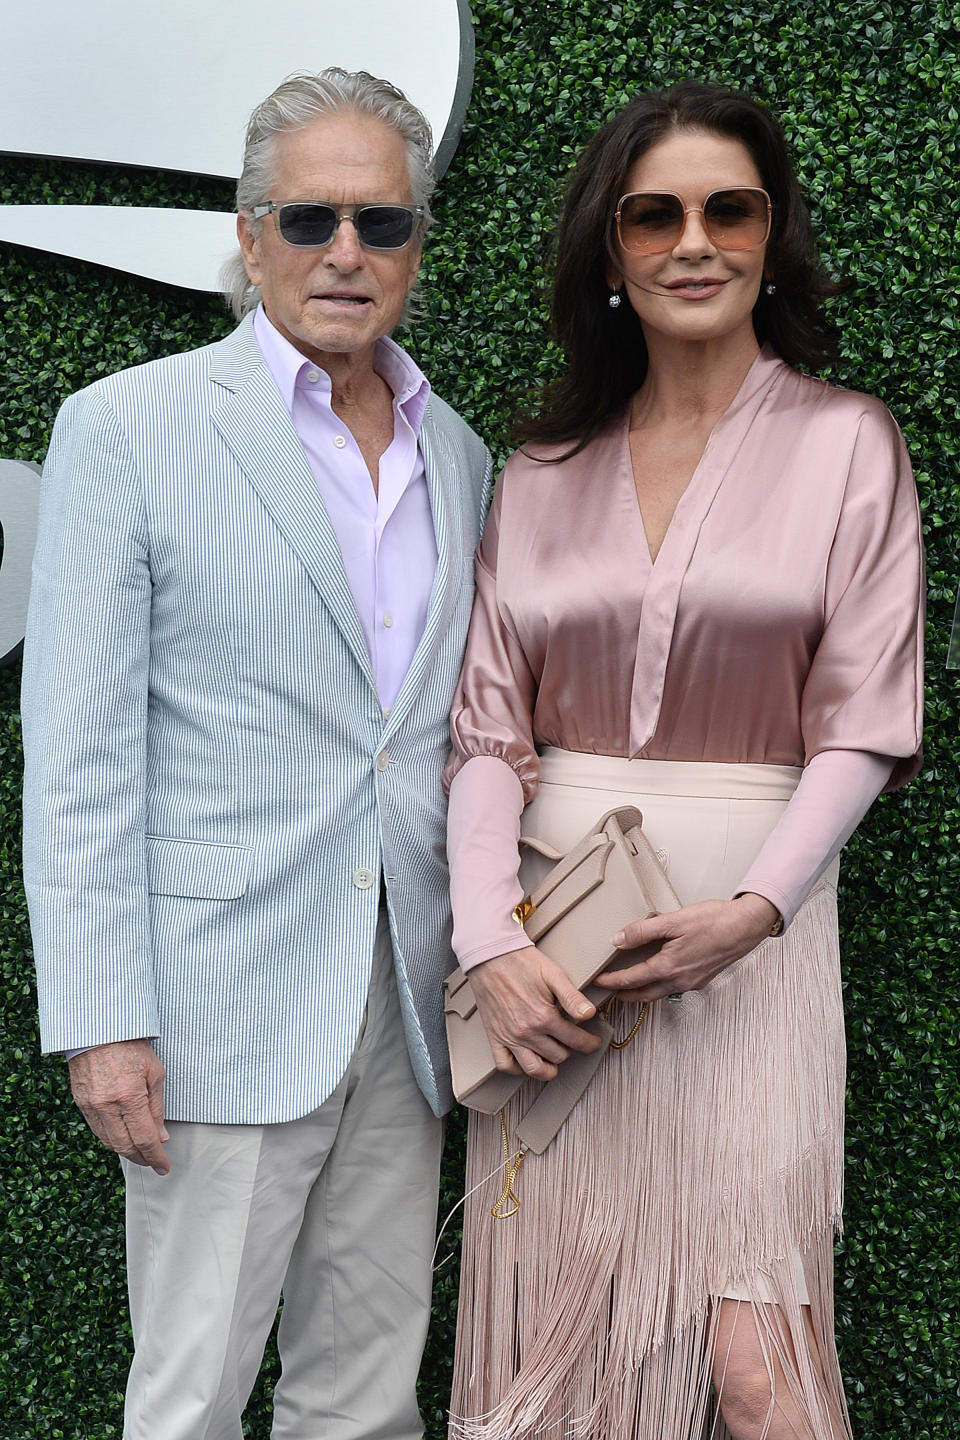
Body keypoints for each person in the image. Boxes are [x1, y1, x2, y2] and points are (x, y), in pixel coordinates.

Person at [443, 82, 923, 1440]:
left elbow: (865, 721)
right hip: (557, 969)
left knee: (755, 1369)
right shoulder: (540, 469)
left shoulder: (848, 446)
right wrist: (489, 944)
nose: (693, 241)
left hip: (750, 965)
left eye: (730, 210)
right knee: (561, 1379)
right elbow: (488, 732)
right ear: (612, 251)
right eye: (654, 214)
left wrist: (754, 911)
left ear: (772, 241)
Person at [21, 68, 491, 1440]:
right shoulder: (131, 426)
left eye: (382, 224)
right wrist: (101, 1016)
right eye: (310, 219)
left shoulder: (454, 455)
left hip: (403, 1001)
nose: (346, 252)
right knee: (189, 1403)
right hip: (215, 1006)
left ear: (416, 245)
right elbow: (79, 757)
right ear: (249, 234)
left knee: (364, 1397)